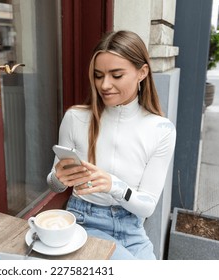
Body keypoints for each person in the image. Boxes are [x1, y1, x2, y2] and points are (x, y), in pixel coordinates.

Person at [47, 30, 176, 260]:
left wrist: (113, 185)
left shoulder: (161, 130)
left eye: (116, 75)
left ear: (142, 72)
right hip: (84, 222)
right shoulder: (75, 118)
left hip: (132, 229)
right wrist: (58, 177)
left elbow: (147, 207)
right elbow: (55, 186)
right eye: (98, 75)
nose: (104, 85)